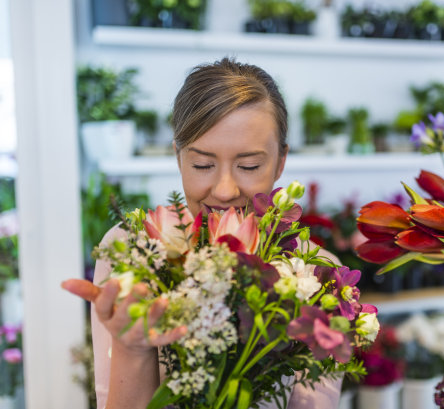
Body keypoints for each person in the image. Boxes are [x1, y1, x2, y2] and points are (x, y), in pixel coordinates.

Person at [62, 58, 342, 409]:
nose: (224, 191)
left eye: (249, 166)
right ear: (179, 157)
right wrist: (132, 350)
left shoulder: (316, 275)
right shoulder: (132, 249)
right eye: (203, 165)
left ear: (281, 162)